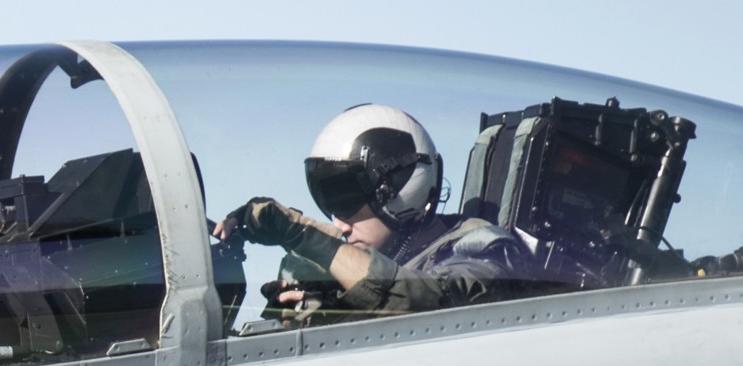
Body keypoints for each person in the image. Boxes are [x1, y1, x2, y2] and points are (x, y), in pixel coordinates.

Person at [218, 104, 537, 322]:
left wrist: (298, 233)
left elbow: (429, 306)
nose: (339, 224)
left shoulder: (485, 248)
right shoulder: (388, 257)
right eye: (330, 203)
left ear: (399, 189)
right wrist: (327, 311)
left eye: (348, 201)